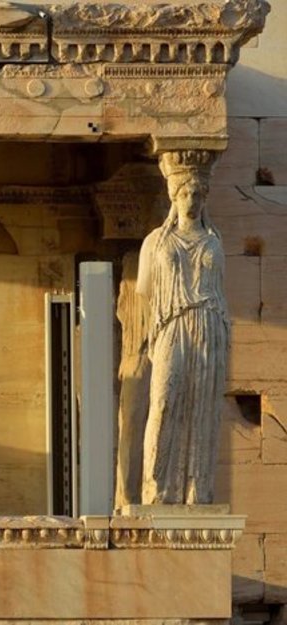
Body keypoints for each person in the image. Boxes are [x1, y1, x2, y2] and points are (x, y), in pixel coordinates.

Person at [136, 152, 228, 505]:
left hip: (208, 323)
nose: (191, 200)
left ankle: (195, 489)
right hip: (171, 324)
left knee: (202, 405)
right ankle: (156, 488)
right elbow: (145, 289)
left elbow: (218, 290)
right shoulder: (156, 242)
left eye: (197, 194)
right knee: (163, 401)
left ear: (204, 198)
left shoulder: (214, 242)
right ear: (174, 197)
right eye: (184, 194)